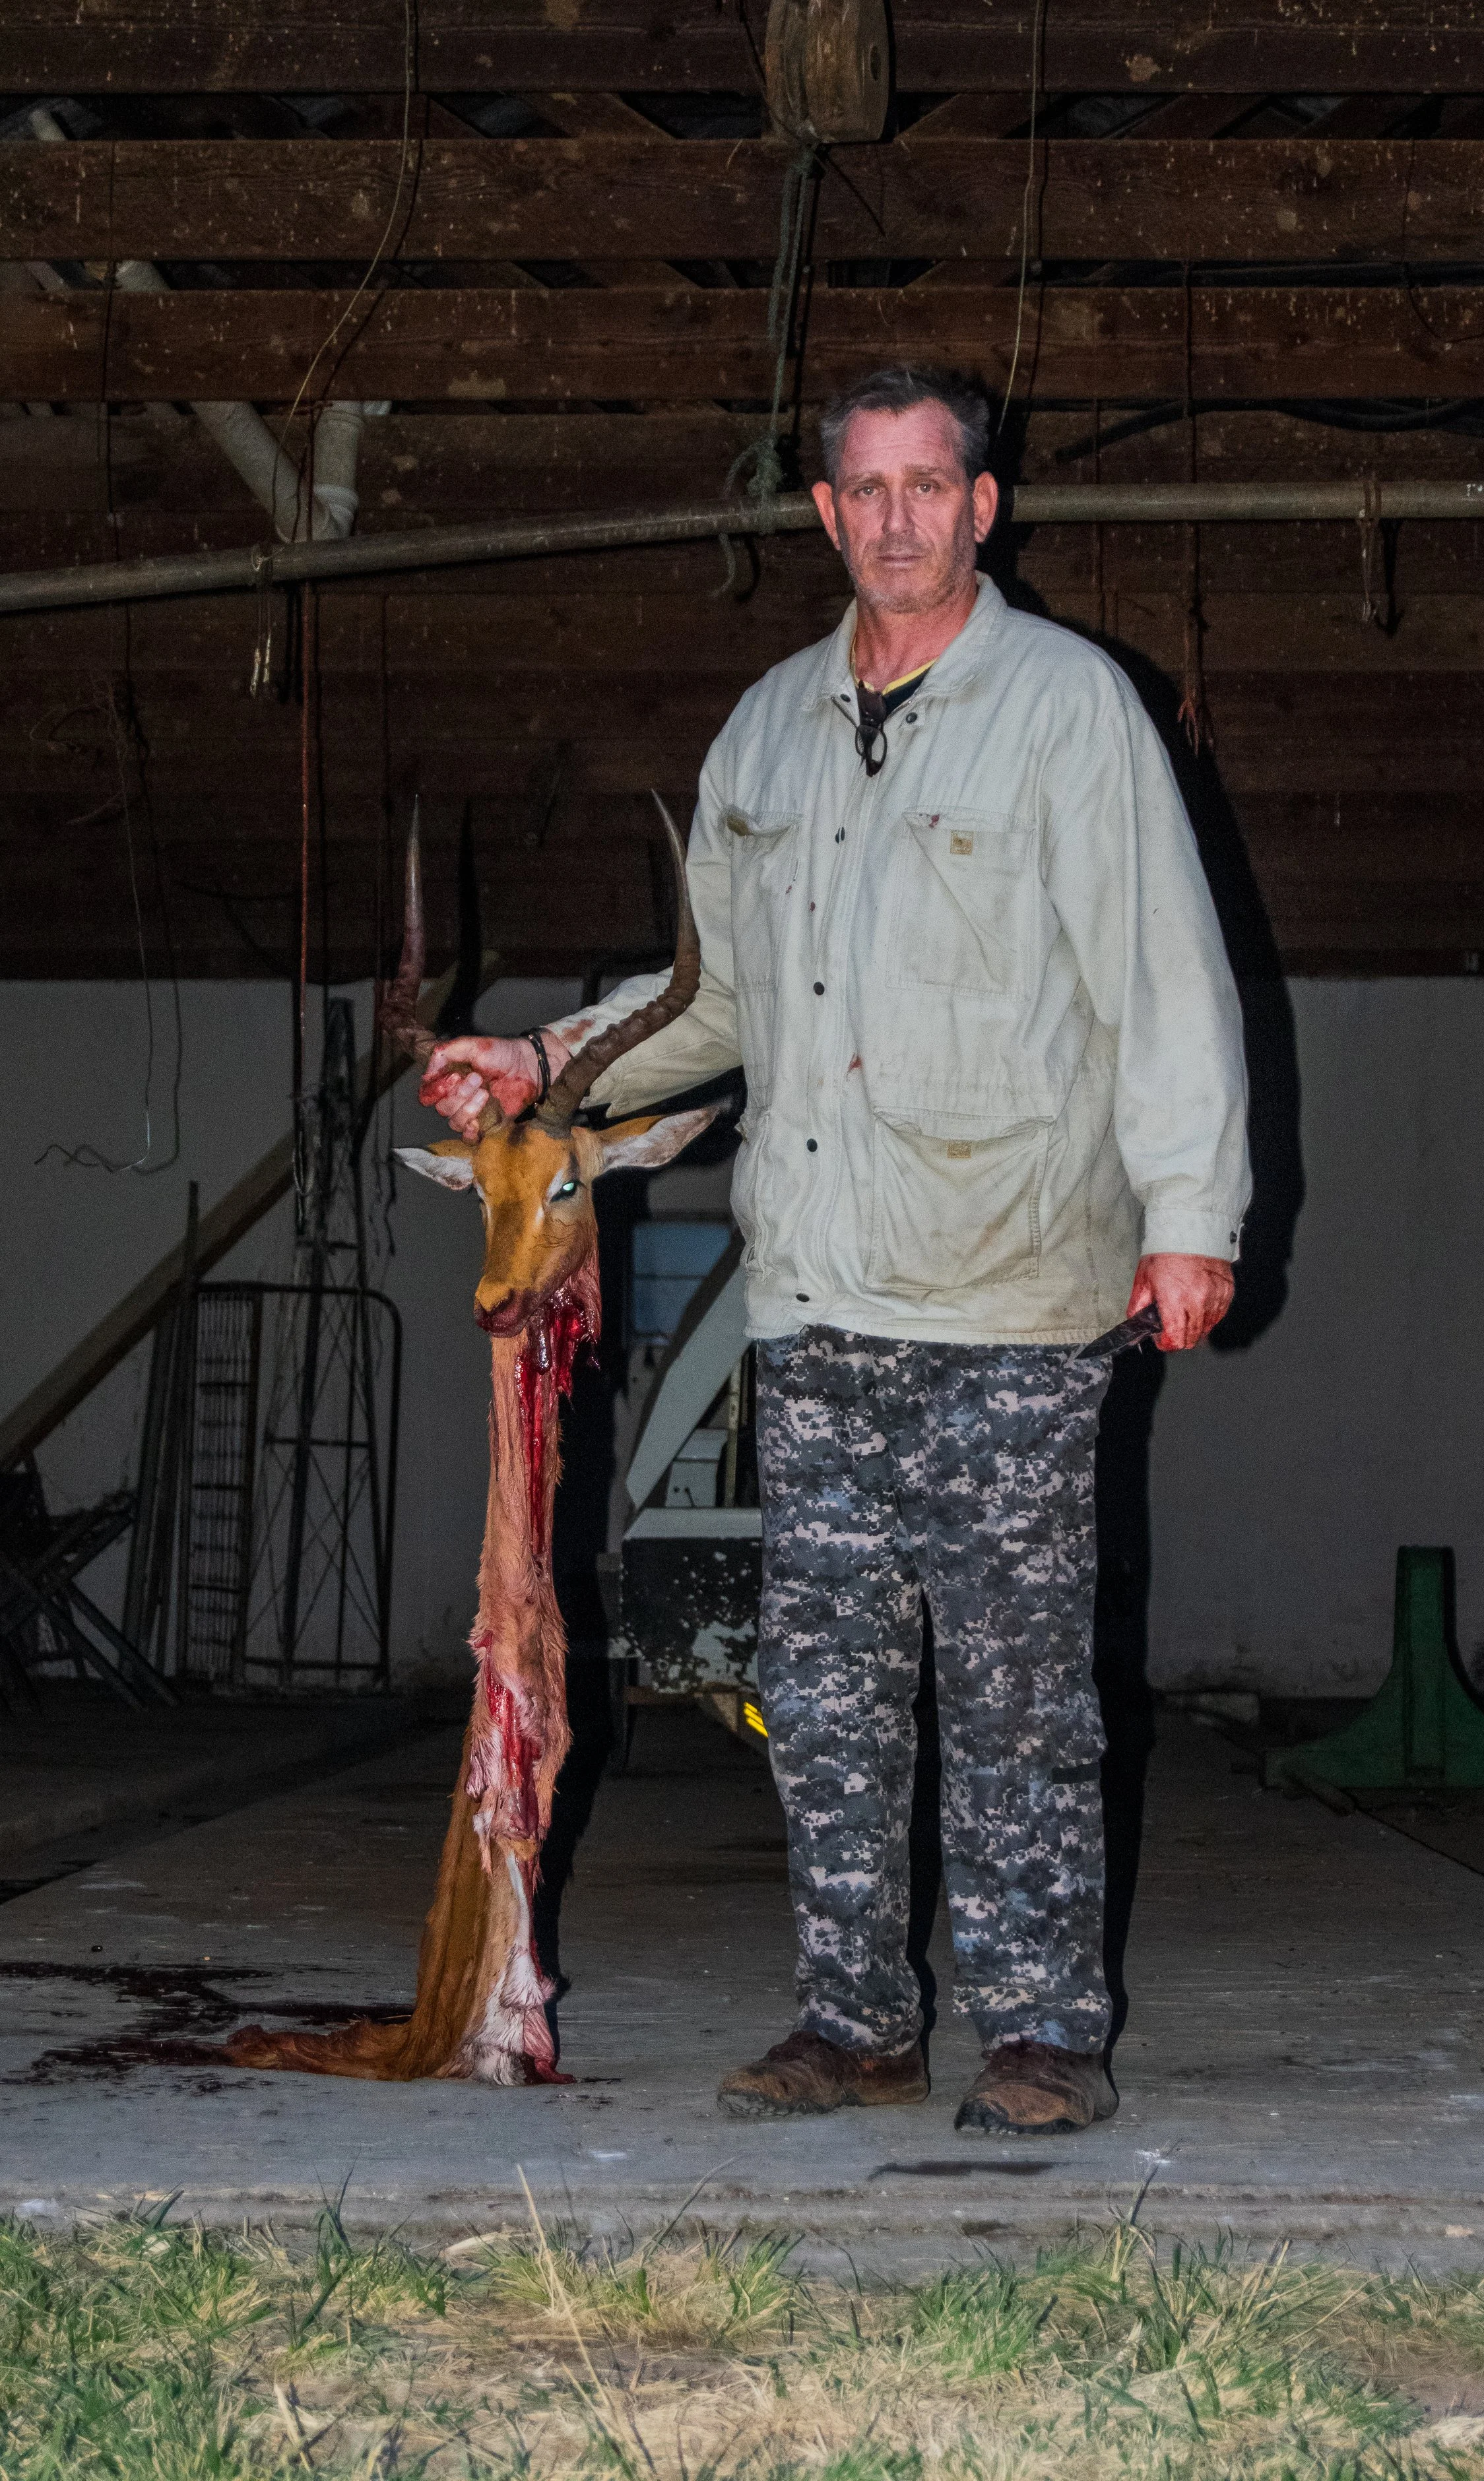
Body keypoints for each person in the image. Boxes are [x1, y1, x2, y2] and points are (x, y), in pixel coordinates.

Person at [420, 364, 1250, 2136]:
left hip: (1016, 1288)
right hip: (817, 1295)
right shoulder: (770, 730)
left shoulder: (1065, 710)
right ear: (823, 513)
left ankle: (1041, 2039)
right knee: (825, 1694)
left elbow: (1163, 975)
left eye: (925, 484)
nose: (894, 516)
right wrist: (537, 1061)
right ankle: (854, 2021)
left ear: (981, 505)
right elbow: (697, 998)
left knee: (1020, 1692)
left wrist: (1190, 1217)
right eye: (860, 489)